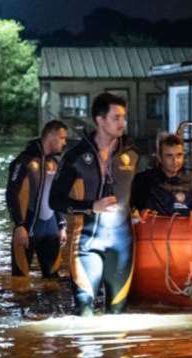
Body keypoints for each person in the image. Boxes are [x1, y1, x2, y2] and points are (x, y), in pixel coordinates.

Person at [49, 93, 139, 316]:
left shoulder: (133, 153)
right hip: (86, 243)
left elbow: (140, 189)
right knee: (84, 310)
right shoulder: (75, 156)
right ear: (100, 120)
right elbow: (55, 200)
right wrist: (91, 206)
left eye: (124, 117)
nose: (122, 123)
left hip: (122, 244)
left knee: (118, 313)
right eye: (116, 118)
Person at [6, 120, 68, 278]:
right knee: (20, 284)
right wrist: (19, 225)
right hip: (27, 229)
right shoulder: (24, 161)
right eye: (62, 138)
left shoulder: (54, 163)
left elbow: (58, 197)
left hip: (51, 230)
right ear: (51, 136)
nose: (64, 142)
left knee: (52, 283)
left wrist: (62, 225)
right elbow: (11, 193)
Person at [130, 134, 192, 216]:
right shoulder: (143, 181)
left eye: (179, 155)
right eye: (169, 156)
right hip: (152, 227)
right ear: (159, 157)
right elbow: (129, 210)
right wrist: (138, 214)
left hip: (183, 228)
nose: (175, 160)